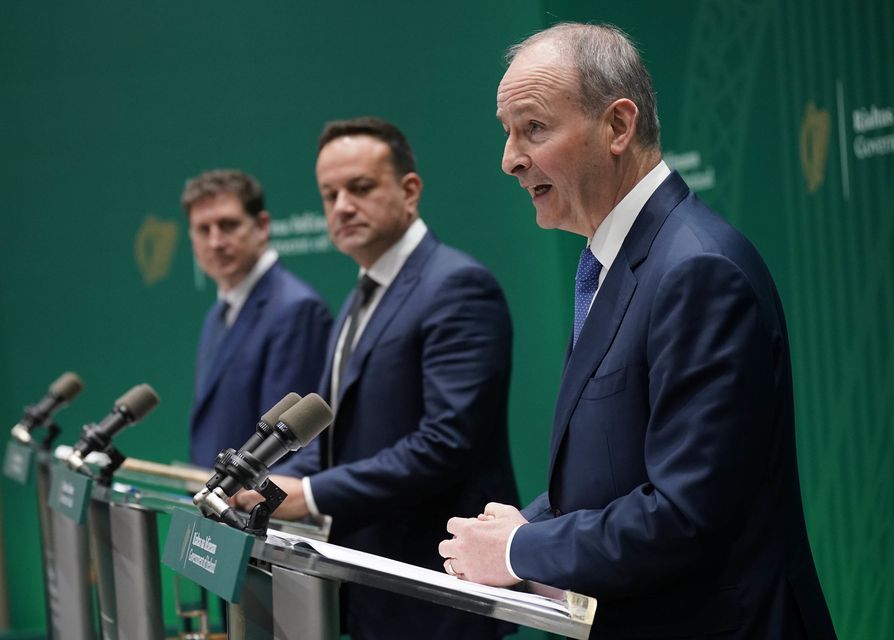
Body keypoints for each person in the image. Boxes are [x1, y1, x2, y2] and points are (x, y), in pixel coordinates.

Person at [438, 23, 837, 640]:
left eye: (534, 129)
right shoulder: (612, 259)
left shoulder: (698, 269)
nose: (510, 158)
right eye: (508, 133)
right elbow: (616, 470)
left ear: (618, 127)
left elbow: (683, 512)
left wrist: (523, 550)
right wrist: (521, 528)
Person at [234, 117, 519, 639]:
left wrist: (314, 494)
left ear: (409, 191)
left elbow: (446, 443)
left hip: (436, 586)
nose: (341, 206)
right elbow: (339, 433)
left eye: (360, 188)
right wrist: (274, 486)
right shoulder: (359, 295)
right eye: (329, 194)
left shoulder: (457, 286)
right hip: (370, 580)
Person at [184, 169, 332, 467]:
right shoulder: (218, 313)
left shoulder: (295, 309)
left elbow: (288, 444)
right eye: (203, 229)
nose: (215, 242)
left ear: (262, 226)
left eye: (228, 225)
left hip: (253, 505)